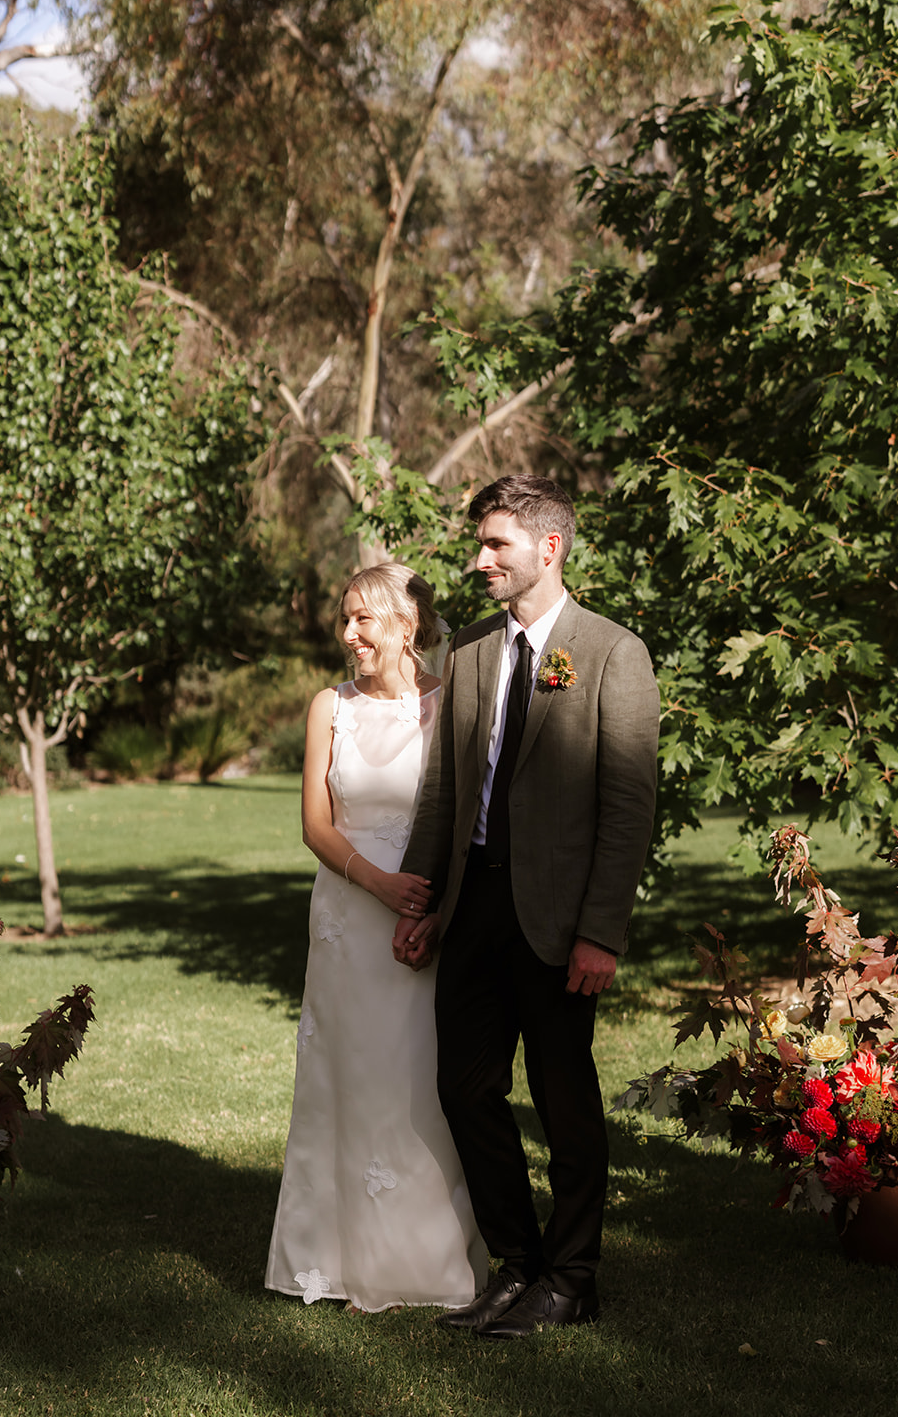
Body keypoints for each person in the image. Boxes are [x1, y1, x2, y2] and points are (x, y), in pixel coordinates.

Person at [394, 475, 659, 1339]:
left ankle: (572, 1279)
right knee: (464, 1089)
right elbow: (443, 788)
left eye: (495, 544)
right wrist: (422, 896)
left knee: (562, 1099)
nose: (479, 560)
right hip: (472, 905)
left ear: (548, 548)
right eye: (479, 543)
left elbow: (627, 810)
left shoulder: (612, 653)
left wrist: (599, 933)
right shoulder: (472, 650)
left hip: (558, 921)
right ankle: (517, 1266)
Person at [265, 563, 487, 1313]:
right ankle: (330, 1257)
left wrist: (430, 910)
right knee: (345, 1077)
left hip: (427, 922)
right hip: (347, 920)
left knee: (418, 1080)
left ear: (407, 623)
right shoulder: (328, 707)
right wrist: (380, 885)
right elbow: (315, 826)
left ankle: (426, 1258)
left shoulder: (451, 705)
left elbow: (465, 824)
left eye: (363, 618)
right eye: (345, 618)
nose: (349, 633)